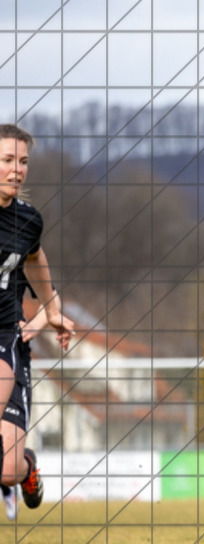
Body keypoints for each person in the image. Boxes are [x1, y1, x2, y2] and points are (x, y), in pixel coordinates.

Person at [0, 124, 75, 516]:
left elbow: (35, 258)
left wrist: (51, 309)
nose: (17, 170)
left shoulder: (28, 221)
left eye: (23, 161)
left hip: (7, 335)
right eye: (8, 160)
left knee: (9, 471)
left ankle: (26, 467)